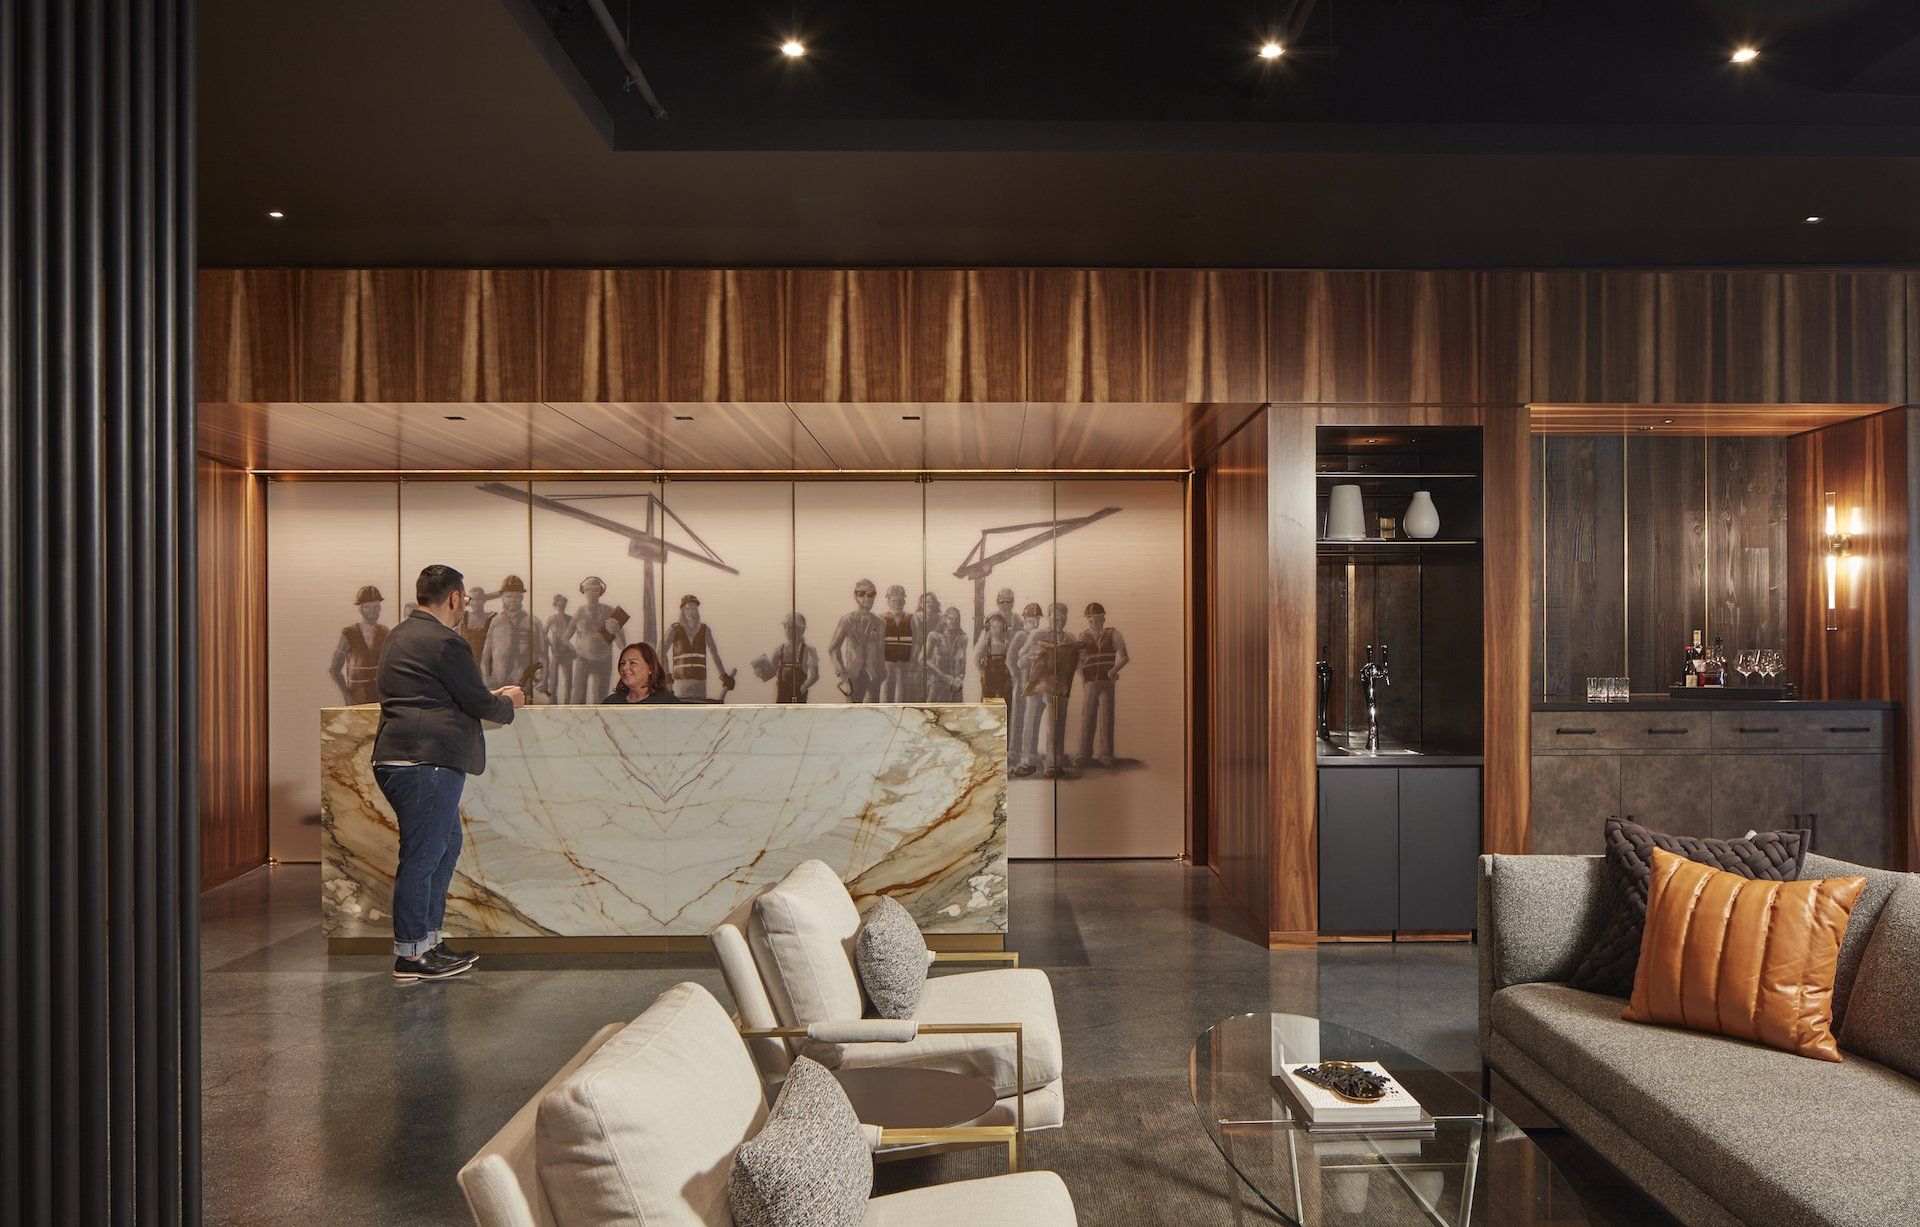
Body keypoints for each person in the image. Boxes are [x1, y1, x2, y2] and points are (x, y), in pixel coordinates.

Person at [373, 564, 526, 982]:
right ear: (456, 598)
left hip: (399, 758)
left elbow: (435, 693)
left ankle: (428, 942)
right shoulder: (446, 642)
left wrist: (483, 696)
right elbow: (478, 703)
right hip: (427, 762)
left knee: (443, 845)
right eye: (465, 601)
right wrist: (509, 702)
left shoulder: (399, 635)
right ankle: (410, 954)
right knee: (423, 855)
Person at [1018, 601, 1083, 779]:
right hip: (1037, 686)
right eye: (1055, 618)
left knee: (1056, 723)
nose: (1058, 622)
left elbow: (1080, 664)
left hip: (1057, 691)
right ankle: (1028, 762)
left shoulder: (1070, 638)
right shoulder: (1037, 634)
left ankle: (1053, 763)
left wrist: (1081, 660)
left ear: (1066, 619)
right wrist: (1033, 654)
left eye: (1061, 619)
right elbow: (1020, 660)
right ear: (1048, 618)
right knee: (1030, 721)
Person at [1073, 601, 1129, 768]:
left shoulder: (1113, 634)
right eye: (1090, 619)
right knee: (1087, 716)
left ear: (1103, 618)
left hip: (1107, 681)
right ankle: (1084, 754)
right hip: (1090, 682)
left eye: (1097, 619)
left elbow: (1124, 657)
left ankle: (1106, 754)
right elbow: (1077, 660)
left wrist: (1114, 670)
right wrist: (1082, 674)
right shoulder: (1082, 636)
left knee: (1107, 717)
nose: (1094, 623)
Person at [665, 594, 733, 700]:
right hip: (681, 680)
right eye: (687, 607)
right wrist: (666, 676)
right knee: (682, 708)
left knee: (699, 707)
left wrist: (723, 675)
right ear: (682, 610)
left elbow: (714, 654)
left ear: (697, 609)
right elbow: (661, 652)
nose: (690, 610)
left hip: (700, 680)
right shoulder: (674, 629)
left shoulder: (705, 629)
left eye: (693, 607)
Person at [828, 578, 885, 702]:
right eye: (861, 593)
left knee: (872, 714)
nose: (866, 598)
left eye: (871, 594)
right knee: (852, 713)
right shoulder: (847, 620)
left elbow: (881, 651)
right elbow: (833, 648)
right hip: (853, 675)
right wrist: (842, 674)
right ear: (855, 596)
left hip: (873, 676)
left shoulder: (880, 622)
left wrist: (880, 673)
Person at [330, 585, 387, 704]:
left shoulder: (385, 632)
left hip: (381, 702)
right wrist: (347, 696)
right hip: (357, 701)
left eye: (376, 606)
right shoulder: (349, 634)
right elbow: (334, 669)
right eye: (368, 607)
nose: (373, 610)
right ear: (360, 609)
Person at [479, 575, 533, 689]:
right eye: (508, 596)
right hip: (497, 683)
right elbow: (485, 655)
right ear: (502, 597)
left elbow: (542, 655)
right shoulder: (495, 622)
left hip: (522, 684)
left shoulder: (532, 622)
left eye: (516, 596)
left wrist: (542, 678)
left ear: (521, 597)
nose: (512, 599)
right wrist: (486, 680)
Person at [603, 642, 681, 705]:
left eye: (632, 662)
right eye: (622, 663)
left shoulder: (668, 703)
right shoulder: (611, 702)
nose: (624, 668)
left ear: (650, 668)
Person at [920, 606, 968, 701]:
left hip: (954, 685)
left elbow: (963, 662)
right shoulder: (934, 636)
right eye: (950, 618)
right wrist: (943, 676)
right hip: (936, 683)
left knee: (956, 714)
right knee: (931, 713)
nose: (953, 621)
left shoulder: (962, 638)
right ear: (944, 619)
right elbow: (922, 659)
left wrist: (960, 678)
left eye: (956, 619)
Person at [879, 584, 915, 702]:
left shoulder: (911, 618)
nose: (897, 604)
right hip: (886, 659)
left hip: (906, 659)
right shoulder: (881, 618)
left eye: (900, 601)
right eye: (893, 600)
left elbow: (918, 640)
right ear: (888, 601)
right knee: (885, 683)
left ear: (904, 602)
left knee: (901, 684)